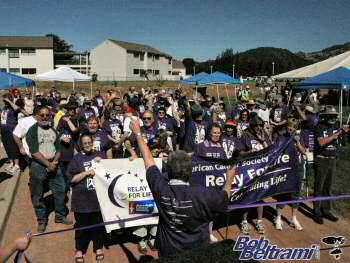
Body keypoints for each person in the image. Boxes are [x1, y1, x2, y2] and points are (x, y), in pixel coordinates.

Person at [130, 118, 236, 257]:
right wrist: (230, 177)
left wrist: (138, 133)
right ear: (190, 171)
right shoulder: (204, 194)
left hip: (169, 253)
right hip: (199, 253)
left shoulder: (161, 188)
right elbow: (226, 196)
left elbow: (148, 161)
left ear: (168, 171)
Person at [26, 106, 72, 232]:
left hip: (54, 163)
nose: (45, 117)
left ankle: (60, 215)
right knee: (38, 194)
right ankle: (42, 220)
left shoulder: (53, 130)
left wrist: (55, 161)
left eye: (47, 115)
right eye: (42, 115)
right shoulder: (32, 131)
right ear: (36, 116)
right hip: (38, 165)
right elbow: (34, 152)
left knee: (61, 189)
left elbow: (58, 148)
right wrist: (48, 164)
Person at [66, 134, 106, 263]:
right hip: (82, 200)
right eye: (85, 143)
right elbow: (71, 179)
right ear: (81, 145)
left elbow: (112, 170)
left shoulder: (101, 155)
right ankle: (79, 249)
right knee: (82, 227)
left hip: (98, 200)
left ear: (93, 142)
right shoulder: (77, 159)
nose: (88, 145)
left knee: (98, 226)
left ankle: (98, 247)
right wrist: (86, 173)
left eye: (89, 142)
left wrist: (104, 163)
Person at [313, 106, 349, 224]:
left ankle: (326, 210)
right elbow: (321, 142)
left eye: (335, 115)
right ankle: (317, 212)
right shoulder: (318, 126)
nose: (334, 118)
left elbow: (342, 140)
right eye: (331, 115)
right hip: (321, 159)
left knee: (328, 188)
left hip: (332, 159)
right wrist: (337, 134)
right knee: (319, 187)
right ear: (325, 116)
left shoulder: (336, 125)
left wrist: (344, 132)